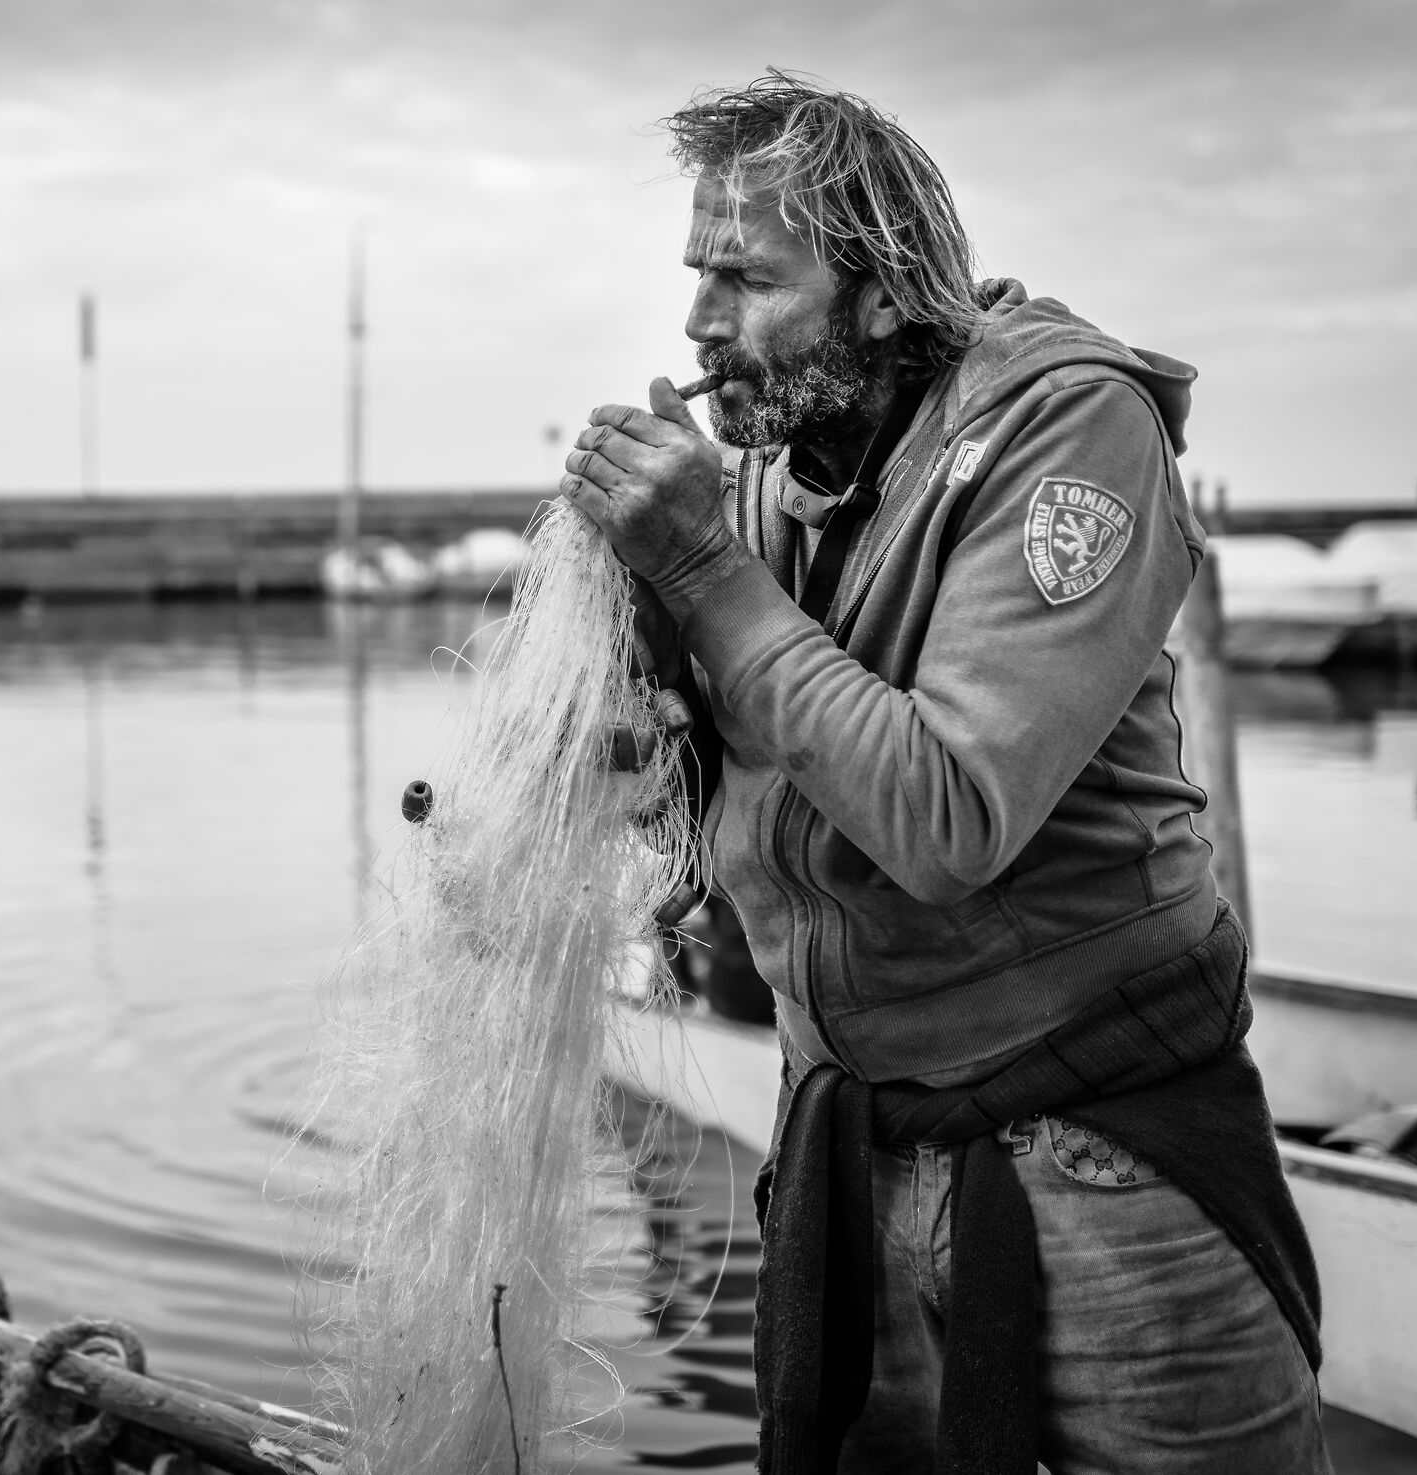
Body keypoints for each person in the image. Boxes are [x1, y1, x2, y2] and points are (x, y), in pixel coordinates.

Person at [560, 75, 1327, 1473]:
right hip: (850, 1149)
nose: (697, 323)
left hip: (1102, 1166)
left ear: (883, 291)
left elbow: (949, 814)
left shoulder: (1071, 428)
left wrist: (698, 570)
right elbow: (717, 771)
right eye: (695, 274)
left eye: (745, 276)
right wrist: (638, 663)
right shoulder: (759, 466)